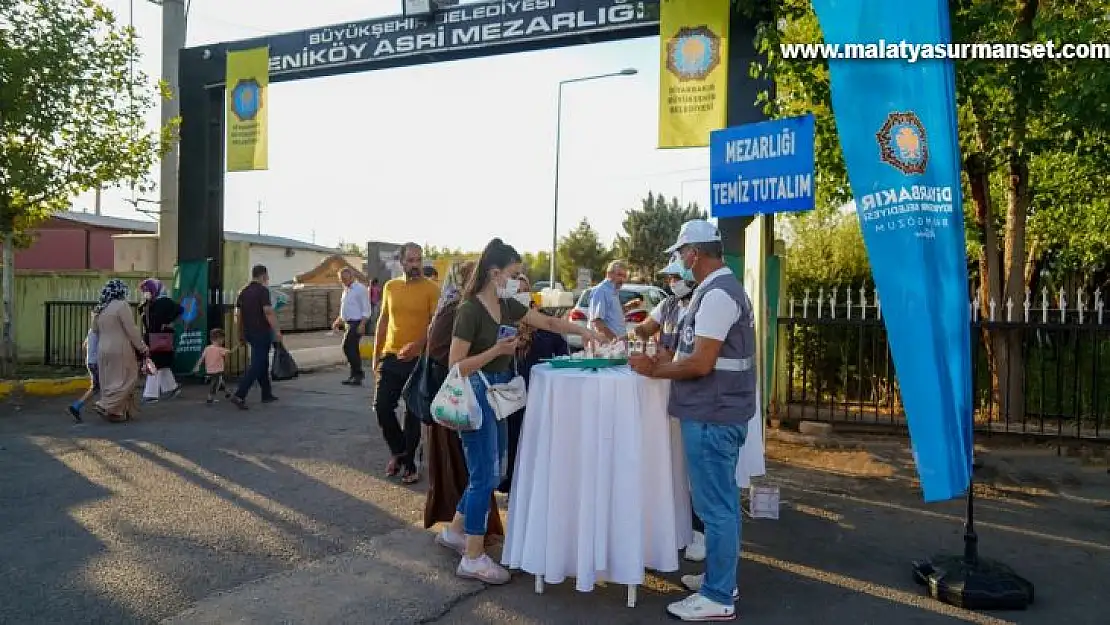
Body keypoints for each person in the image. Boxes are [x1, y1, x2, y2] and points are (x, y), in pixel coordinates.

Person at [436, 238, 602, 584]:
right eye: (514, 274)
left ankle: (455, 532)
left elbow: (549, 323)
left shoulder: (506, 303)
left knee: (493, 473)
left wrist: (583, 330)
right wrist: (496, 349)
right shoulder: (470, 311)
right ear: (494, 273)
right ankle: (473, 557)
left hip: (497, 394)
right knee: (485, 477)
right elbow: (456, 365)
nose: (518, 279)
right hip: (479, 394)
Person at [629, 220, 754, 622]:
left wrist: (653, 370)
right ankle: (722, 580)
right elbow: (696, 353)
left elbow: (701, 364)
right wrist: (669, 360)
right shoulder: (714, 291)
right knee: (723, 506)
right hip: (717, 411)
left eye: (681, 253)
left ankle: (718, 596)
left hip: (712, 415)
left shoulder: (716, 295)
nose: (679, 261)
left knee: (715, 508)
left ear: (695, 254)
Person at [630, 259, 709, 560]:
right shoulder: (668, 306)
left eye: (676, 277)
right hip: (664, 391)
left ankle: (699, 531)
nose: (671, 282)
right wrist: (644, 337)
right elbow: (643, 328)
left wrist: (668, 356)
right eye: (669, 278)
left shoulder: (703, 304)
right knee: (668, 462)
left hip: (689, 389)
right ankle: (671, 525)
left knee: (691, 466)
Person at [422, 261, 505, 541]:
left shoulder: (474, 308)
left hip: (470, 398)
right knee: (477, 473)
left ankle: (459, 531)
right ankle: (472, 546)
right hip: (459, 401)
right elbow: (443, 356)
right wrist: (488, 354)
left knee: (479, 473)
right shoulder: (458, 310)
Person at [372, 243, 440, 484]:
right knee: (381, 407)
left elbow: (435, 326)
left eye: (418, 260)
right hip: (391, 356)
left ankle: (409, 464)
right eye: (410, 260)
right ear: (401, 262)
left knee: (412, 414)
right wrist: (376, 355)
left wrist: (418, 345)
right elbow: (383, 321)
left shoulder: (432, 289)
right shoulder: (391, 287)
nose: (415, 265)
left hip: (418, 359)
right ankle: (400, 453)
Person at [499, 274, 569, 494]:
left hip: (539, 393)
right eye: (515, 291)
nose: (519, 295)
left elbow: (562, 353)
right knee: (513, 439)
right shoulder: (502, 321)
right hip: (511, 392)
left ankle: (534, 485)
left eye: (523, 291)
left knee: (536, 440)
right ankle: (512, 483)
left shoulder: (543, 321)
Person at [91, 279, 148, 422]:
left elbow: (95, 330)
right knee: (129, 378)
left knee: (109, 381)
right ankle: (106, 405)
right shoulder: (121, 305)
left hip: (102, 349)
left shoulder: (100, 308)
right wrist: (142, 347)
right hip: (120, 348)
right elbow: (131, 329)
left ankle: (118, 412)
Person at [232, 264, 283, 409]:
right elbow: (268, 311)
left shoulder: (243, 291)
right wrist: (277, 330)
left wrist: (240, 333)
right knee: (257, 364)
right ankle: (240, 394)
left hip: (249, 332)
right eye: (267, 276)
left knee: (262, 362)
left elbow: (238, 315)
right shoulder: (262, 291)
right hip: (261, 332)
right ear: (263, 275)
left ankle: (266, 394)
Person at [138, 278, 184, 403]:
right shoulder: (147, 304)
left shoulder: (164, 302)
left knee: (154, 364)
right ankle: (171, 388)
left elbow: (180, 310)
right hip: (154, 337)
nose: (146, 292)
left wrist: (168, 322)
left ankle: (151, 394)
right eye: (144, 290)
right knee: (162, 364)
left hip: (161, 337)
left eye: (148, 290)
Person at [334, 268, 371, 385]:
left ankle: (358, 374)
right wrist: (338, 320)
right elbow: (345, 308)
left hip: (357, 322)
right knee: (352, 349)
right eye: (341, 279)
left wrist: (362, 324)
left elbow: (366, 308)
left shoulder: (360, 289)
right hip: (348, 323)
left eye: (345, 279)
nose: (343, 281)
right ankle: (354, 375)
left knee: (347, 346)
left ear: (352, 277)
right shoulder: (346, 290)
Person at [68, 311, 101, 422]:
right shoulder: (99, 332)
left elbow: (84, 345)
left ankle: (78, 406)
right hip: (96, 363)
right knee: (98, 387)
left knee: (97, 387)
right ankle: (77, 406)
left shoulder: (91, 331)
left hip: (90, 362)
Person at [588, 260, 631, 341]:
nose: (622, 279)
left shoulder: (613, 291)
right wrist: (615, 341)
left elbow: (611, 314)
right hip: (606, 347)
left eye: (624, 276)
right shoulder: (601, 291)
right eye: (619, 275)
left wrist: (628, 307)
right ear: (609, 274)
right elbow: (597, 322)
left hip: (615, 346)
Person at [193, 328, 230, 404]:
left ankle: (227, 392)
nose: (223, 341)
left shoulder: (207, 348)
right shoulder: (220, 349)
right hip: (218, 370)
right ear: (219, 339)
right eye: (222, 339)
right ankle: (210, 397)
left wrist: (197, 366)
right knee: (215, 383)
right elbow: (229, 352)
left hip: (210, 370)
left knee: (219, 381)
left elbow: (201, 358)